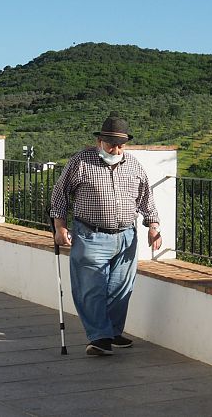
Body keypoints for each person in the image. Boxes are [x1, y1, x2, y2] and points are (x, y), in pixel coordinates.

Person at [50, 116, 162, 356]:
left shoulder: (133, 165)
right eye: (111, 144)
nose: (116, 149)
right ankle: (99, 337)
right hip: (91, 235)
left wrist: (153, 226)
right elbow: (60, 194)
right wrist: (60, 227)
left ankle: (111, 331)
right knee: (91, 289)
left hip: (126, 237)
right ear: (100, 141)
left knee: (121, 288)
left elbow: (146, 199)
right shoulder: (81, 162)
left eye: (120, 145)